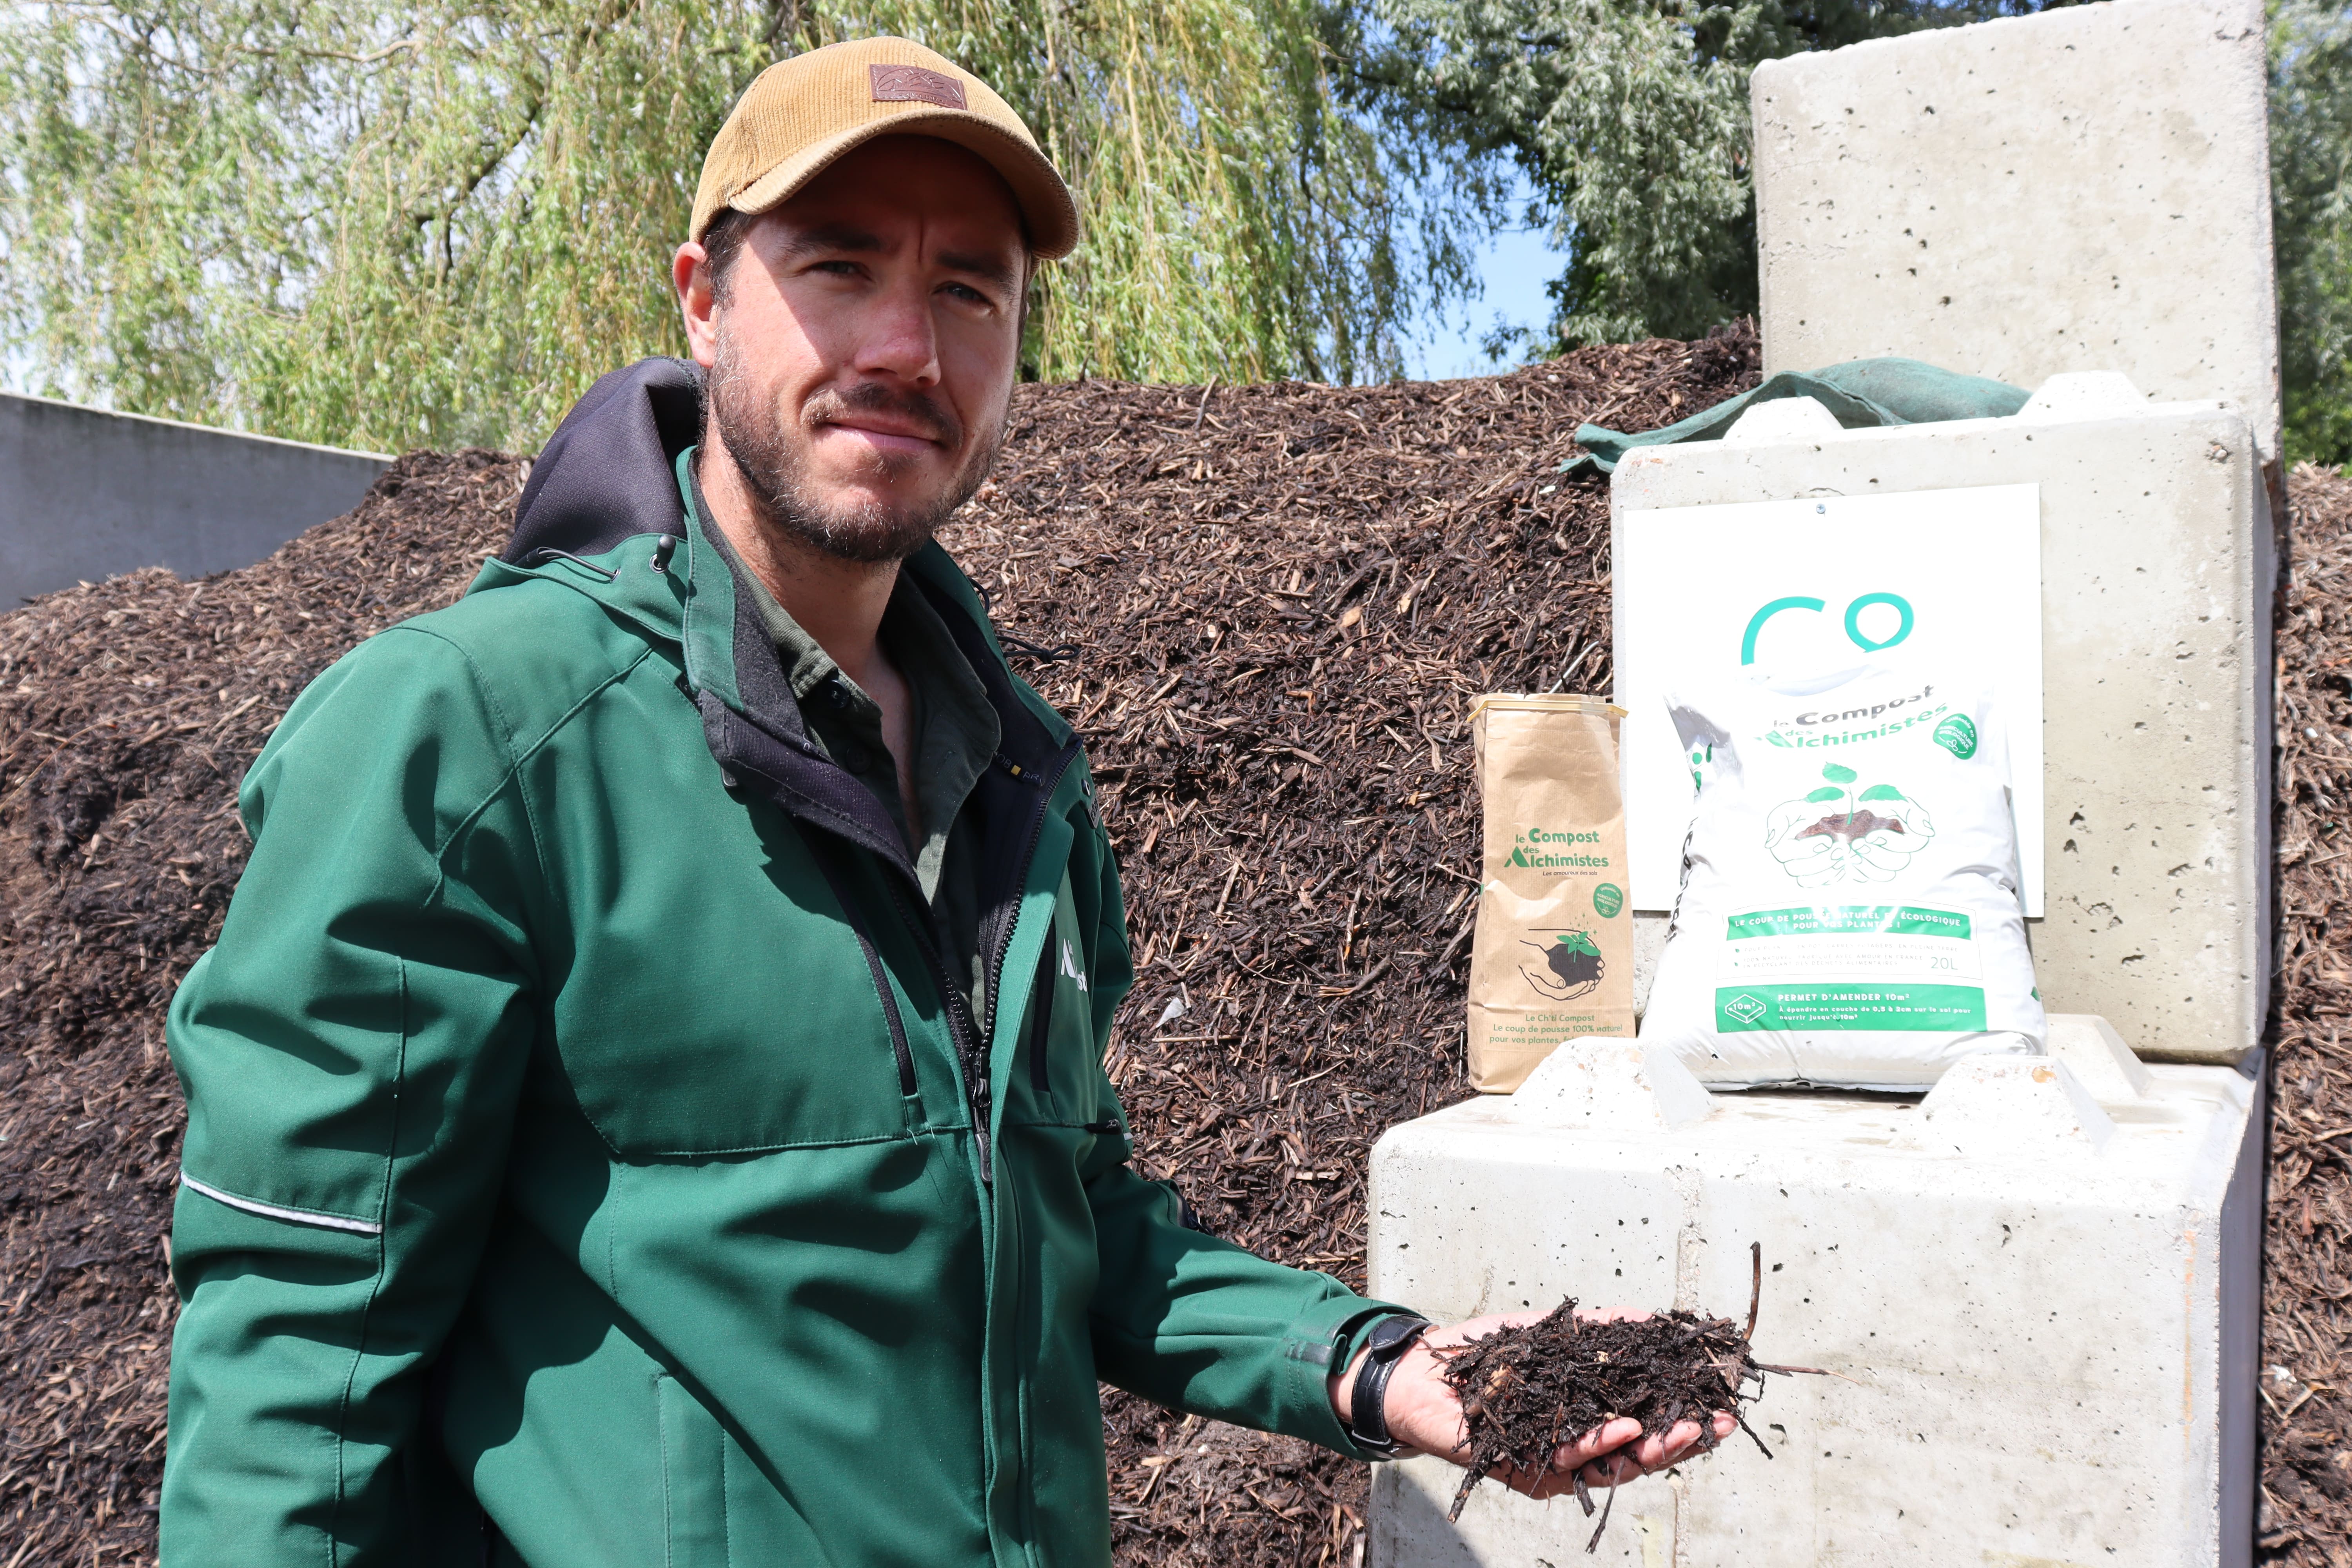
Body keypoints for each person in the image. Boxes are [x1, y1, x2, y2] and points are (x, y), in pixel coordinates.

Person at [158, 36, 1727, 1565]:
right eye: (840, 266)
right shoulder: (471, 735)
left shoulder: (1021, 773)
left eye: (968, 289)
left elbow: (1071, 1219)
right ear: (702, 303)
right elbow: (302, 1356)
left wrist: (1379, 1364)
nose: (907, 345)